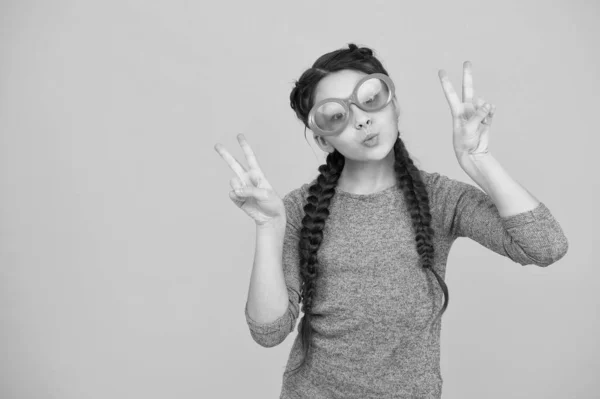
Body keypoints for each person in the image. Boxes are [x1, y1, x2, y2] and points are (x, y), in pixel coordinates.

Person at [214, 43, 569, 398]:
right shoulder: (295, 209)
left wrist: (479, 159)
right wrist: (268, 226)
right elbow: (268, 332)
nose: (361, 120)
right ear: (323, 140)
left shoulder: (440, 198)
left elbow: (545, 247)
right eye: (336, 116)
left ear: (394, 104)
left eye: (370, 98)